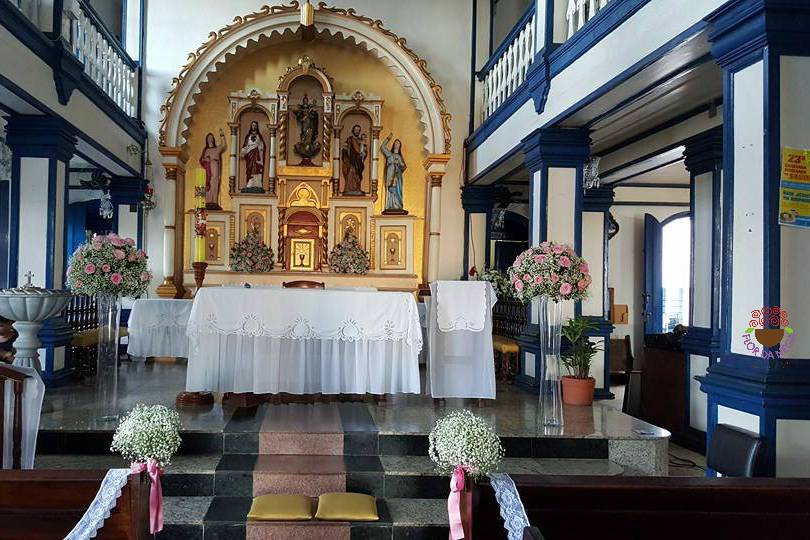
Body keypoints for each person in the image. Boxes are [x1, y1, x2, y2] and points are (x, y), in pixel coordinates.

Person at [199, 129, 227, 209]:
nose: (210, 139)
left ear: (213, 139)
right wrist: (205, 159)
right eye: (208, 138)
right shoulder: (206, 150)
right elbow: (201, 160)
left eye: (211, 138)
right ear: (207, 140)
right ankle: (208, 201)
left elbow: (223, 145)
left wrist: (222, 135)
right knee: (208, 183)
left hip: (215, 167)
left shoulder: (217, 149)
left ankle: (214, 201)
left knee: (214, 182)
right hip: (207, 169)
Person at [381, 132, 407, 213]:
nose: (397, 145)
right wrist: (388, 138)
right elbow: (382, 147)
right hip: (390, 174)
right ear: (393, 145)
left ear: (400, 146)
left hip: (397, 176)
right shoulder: (389, 154)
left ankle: (397, 205)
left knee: (397, 190)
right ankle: (390, 205)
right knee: (390, 189)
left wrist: (399, 163)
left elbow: (404, 166)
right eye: (396, 143)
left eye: (398, 144)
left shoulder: (399, 157)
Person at [240, 120, 265, 191]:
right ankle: (249, 184)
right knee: (249, 168)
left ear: (257, 127)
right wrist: (243, 152)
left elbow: (262, 145)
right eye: (253, 125)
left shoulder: (258, 136)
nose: (254, 126)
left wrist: (259, 146)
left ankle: (257, 184)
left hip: (256, 155)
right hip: (249, 155)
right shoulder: (248, 136)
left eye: (255, 125)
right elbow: (245, 145)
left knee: (256, 169)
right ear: (251, 126)